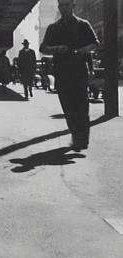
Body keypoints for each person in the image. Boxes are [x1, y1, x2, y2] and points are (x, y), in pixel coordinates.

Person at [40, 0, 99, 151]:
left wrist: (81, 51)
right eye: (61, 5)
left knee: (82, 106)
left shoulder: (83, 24)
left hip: (79, 70)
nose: (63, 8)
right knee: (68, 107)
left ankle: (81, 140)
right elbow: (43, 48)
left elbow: (95, 44)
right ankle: (76, 135)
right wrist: (57, 48)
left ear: (73, 6)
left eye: (66, 4)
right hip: (62, 72)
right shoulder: (54, 28)